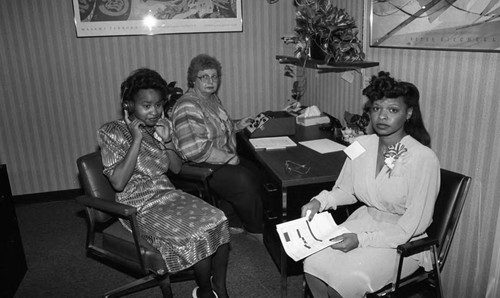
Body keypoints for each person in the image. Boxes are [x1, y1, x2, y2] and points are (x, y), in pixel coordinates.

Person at [300, 71, 440, 298]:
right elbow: (345, 190)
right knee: (313, 263)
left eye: (393, 110)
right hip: (363, 221)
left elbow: (413, 225)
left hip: (400, 240)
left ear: (409, 114)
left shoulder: (423, 158)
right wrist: (319, 201)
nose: (382, 117)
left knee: (344, 280)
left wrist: (362, 240)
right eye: (376, 109)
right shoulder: (361, 144)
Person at [97, 68, 230, 298]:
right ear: (129, 105)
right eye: (146, 106)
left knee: (219, 218)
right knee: (198, 232)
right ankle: (205, 292)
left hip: (168, 195)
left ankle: (220, 288)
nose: (154, 112)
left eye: (158, 105)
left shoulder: (160, 126)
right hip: (138, 206)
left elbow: (176, 168)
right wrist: (136, 139)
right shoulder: (112, 132)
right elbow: (118, 183)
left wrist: (167, 140)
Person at [171, 54, 264, 235]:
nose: (210, 81)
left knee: (254, 170)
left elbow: (217, 129)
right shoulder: (187, 106)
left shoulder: (211, 99)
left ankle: (231, 219)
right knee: (243, 179)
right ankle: (256, 230)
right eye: (204, 77)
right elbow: (194, 150)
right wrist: (229, 158)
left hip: (217, 157)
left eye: (214, 76)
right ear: (193, 79)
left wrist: (237, 125)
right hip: (199, 164)